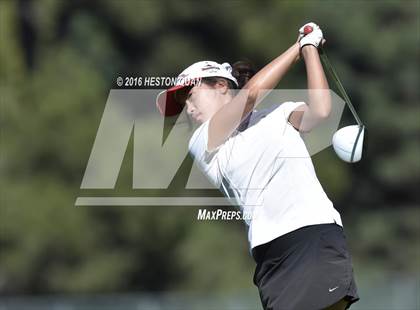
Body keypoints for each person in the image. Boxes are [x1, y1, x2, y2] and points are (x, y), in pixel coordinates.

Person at [156, 22, 359, 310]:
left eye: (189, 95)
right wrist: (298, 47)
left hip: (313, 234)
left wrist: (310, 48)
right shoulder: (202, 141)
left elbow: (322, 110)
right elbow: (250, 95)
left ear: (221, 85)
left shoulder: (280, 114)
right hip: (271, 257)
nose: (188, 108)